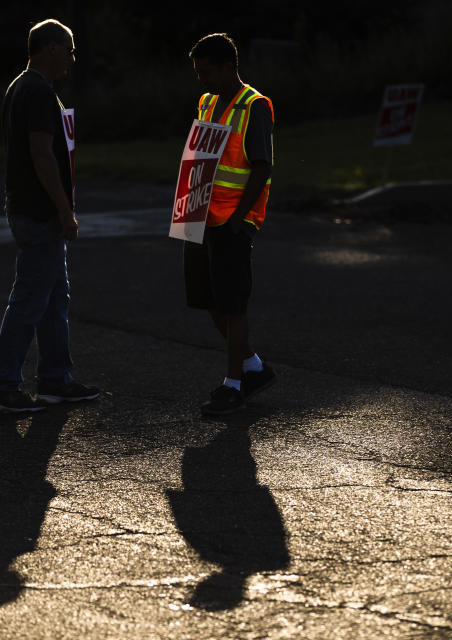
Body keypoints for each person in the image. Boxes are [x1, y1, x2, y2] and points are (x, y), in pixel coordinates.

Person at [0, 19, 99, 413]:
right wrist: (65, 210)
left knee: (52, 296)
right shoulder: (37, 91)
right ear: (49, 48)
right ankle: (2, 384)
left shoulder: (23, 87)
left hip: (30, 206)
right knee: (31, 296)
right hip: (39, 210)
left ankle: (54, 379)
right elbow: (41, 154)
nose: (72, 57)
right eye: (69, 49)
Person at [185, 33, 276, 416]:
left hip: (232, 222)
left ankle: (233, 384)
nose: (202, 80)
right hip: (199, 216)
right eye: (198, 73)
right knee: (209, 300)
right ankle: (252, 367)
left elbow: (262, 166)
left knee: (233, 303)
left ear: (228, 66)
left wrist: (239, 219)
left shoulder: (254, 106)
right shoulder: (207, 101)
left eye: (207, 72)